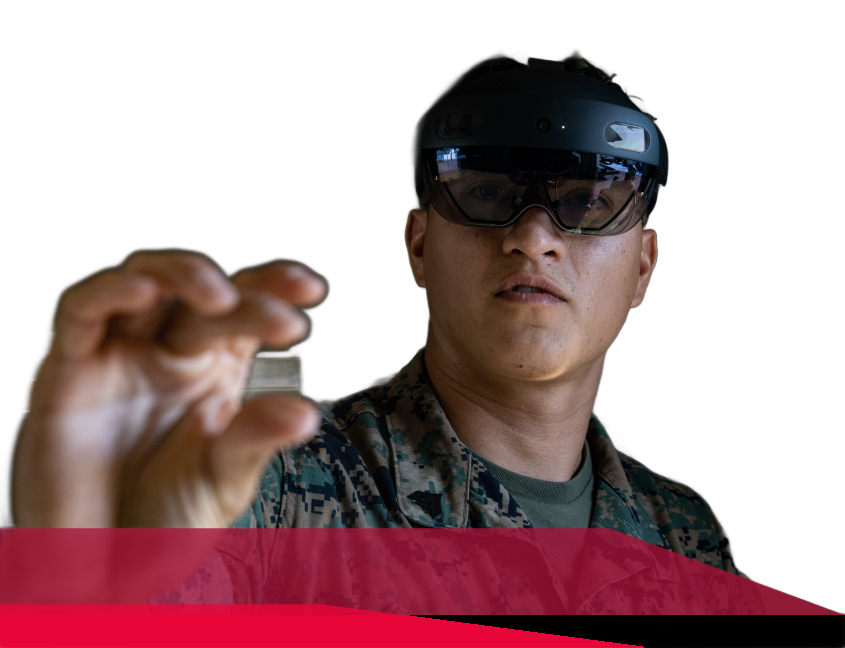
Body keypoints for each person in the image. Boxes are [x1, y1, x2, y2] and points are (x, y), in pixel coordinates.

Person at [10, 51, 809, 614]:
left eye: (588, 201)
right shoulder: (277, 486)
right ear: (418, 245)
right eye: (486, 192)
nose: (533, 236)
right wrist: (86, 568)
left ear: (642, 268)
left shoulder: (681, 535)